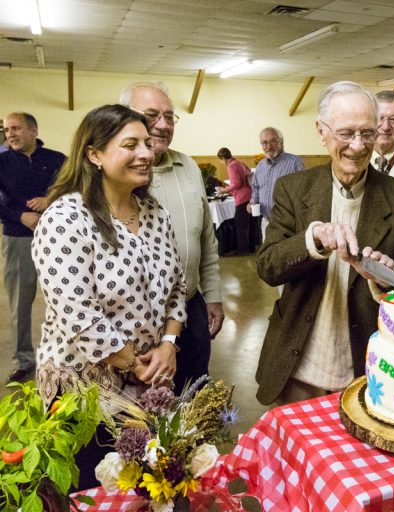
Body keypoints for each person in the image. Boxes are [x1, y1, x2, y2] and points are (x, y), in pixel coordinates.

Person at [31, 104, 186, 488]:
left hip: (148, 387)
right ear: (94, 154)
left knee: (144, 489)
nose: (146, 154)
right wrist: (137, 365)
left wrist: (168, 344)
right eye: (130, 144)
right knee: (91, 489)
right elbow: (77, 314)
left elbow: (177, 288)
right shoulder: (66, 218)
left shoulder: (154, 214)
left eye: (148, 144)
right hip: (84, 396)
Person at [255, 81, 394, 407]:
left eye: (367, 133)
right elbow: (268, 266)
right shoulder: (294, 189)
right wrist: (313, 239)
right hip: (297, 370)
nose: (358, 146)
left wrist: (387, 279)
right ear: (322, 131)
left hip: (368, 373)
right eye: (346, 133)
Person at [118, 81, 223, 392]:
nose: (162, 125)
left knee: (193, 397)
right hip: (132, 326)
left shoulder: (187, 166)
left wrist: (213, 296)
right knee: (141, 416)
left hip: (190, 310)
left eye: (169, 117)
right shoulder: (110, 176)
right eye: (151, 115)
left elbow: (206, 238)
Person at [0, 112, 66, 382]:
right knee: (20, 303)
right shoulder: (1, 162)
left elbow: (76, 189)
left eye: (15, 128)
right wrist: (20, 215)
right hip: (18, 239)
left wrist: (50, 199)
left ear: (33, 130)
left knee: (65, 301)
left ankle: (62, 357)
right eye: (6, 130)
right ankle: (23, 360)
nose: (10, 134)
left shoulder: (57, 160)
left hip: (58, 240)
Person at [247, 127, 303, 245]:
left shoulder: (294, 162)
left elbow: (303, 192)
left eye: (273, 141)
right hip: (266, 222)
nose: (268, 146)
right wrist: (253, 202)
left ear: (281, 142)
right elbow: (256, 188)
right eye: (264, 143)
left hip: (288, 224)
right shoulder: (261, 166)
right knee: (269, 258)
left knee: (287, 260)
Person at [217, 147, 253, 256]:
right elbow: (248, 174)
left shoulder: (231, 166)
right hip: (249, 195)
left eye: (220, 160)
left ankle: (242, 250)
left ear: (223, 158)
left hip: (242, 198)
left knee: (240, 225)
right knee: (248, 224)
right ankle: (250, 247)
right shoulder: (239, 162)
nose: (221, 162)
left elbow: (236, 183)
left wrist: (223, 190)